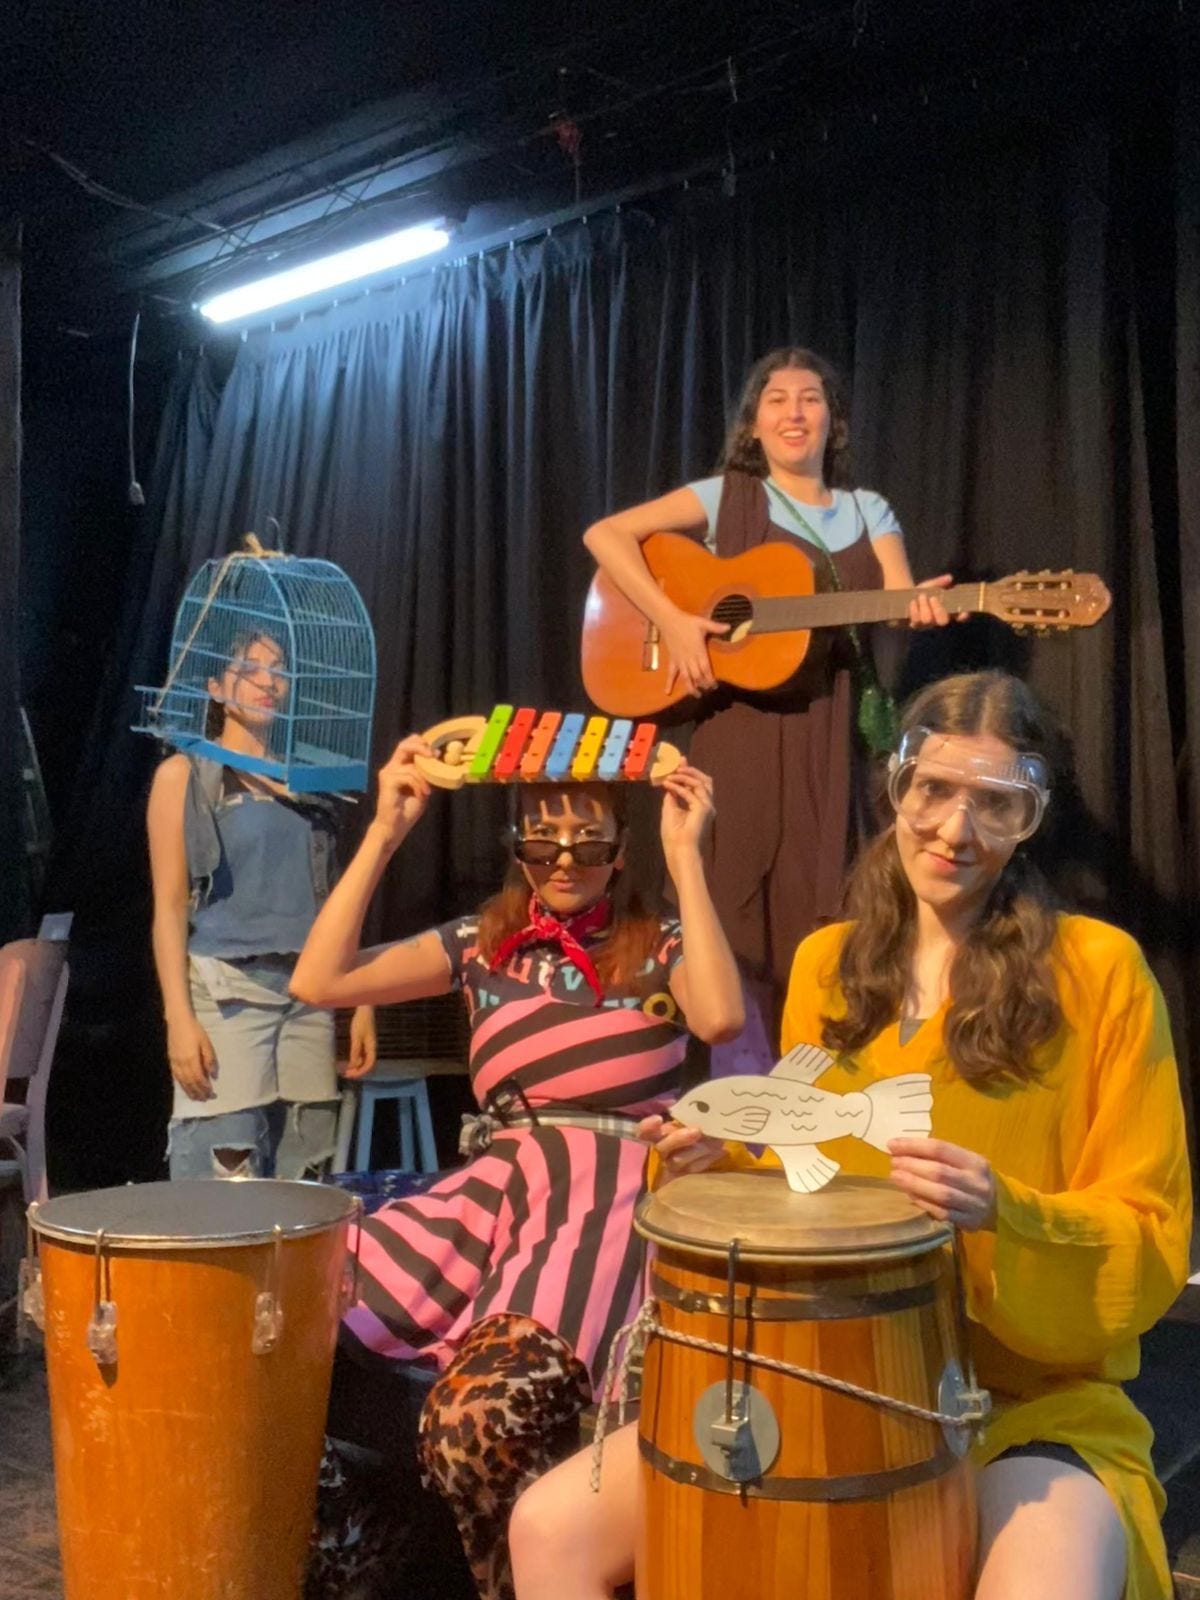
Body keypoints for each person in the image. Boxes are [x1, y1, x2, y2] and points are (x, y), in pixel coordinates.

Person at [509, 669, 1192, 1600]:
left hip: (1021, 1402)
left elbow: (1152, 1229)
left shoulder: (1100, 973)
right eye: (936, 791)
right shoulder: (828, 966)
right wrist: (726, 1158)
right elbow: (811, 1170)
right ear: (897, 788)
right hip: (823, 1371)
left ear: (1033, 817)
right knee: (550, 1529)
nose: (956, 829)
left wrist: (1007, 1212)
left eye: (997, 804)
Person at [288, 735, 743, 1600]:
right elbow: (318, 979)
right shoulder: (482, 944)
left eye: (589, 842)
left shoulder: (662, 942)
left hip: (598, 1200)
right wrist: (386, 831)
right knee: (276, 1326)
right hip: (491, 1191)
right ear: (516, 848)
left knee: (472, 1420)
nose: (565, 860)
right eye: (542, 841)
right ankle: (385, 1545)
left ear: (620, 848)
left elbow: (720, 1019)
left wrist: (686, 858)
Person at [583, 346, 954, 1064]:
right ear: (753, 425)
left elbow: (903, 598)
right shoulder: (730, 497)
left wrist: (928, 609)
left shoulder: (868, 509)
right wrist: (674, 617)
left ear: (833, 422)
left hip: (830, 732)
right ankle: (744, 1120)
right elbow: (605, 535)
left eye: (811, 398)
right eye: (777, 399)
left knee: (834, 924)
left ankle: (825, 1112)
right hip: (738, 736)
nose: (794, 411)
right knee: (729, 922)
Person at [147, 630, 376, 1180]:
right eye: (251, 667)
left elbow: (337, 901)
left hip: (309, 997)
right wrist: (178, 1017)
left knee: (306, 1171)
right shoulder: (185, 776)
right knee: (223, 1172)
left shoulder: (309, 781)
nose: (269, 681)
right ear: (217, 688)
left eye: (278, 669)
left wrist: (364, 999)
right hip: (227, 992)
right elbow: (170, 908)